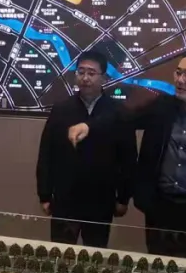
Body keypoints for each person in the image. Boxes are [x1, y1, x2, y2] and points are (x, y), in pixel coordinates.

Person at [67, 50, 186, 260]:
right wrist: (89, 126)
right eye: (178, 73)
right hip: (160, 209)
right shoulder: (162, 108)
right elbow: (123, 118)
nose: (180, 80)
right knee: (158, 267)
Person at [36, 50, 136, 247]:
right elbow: (47, 154)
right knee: (61, 254)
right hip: (65, 199)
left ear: (104, 78)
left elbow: (128, 159)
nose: (85, 78)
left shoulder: (117, 112)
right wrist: (45, 195)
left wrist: (123, 198)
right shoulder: (62, 109)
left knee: (95, 254)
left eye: (91, 73)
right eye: (81, 72)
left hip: (101, 200)